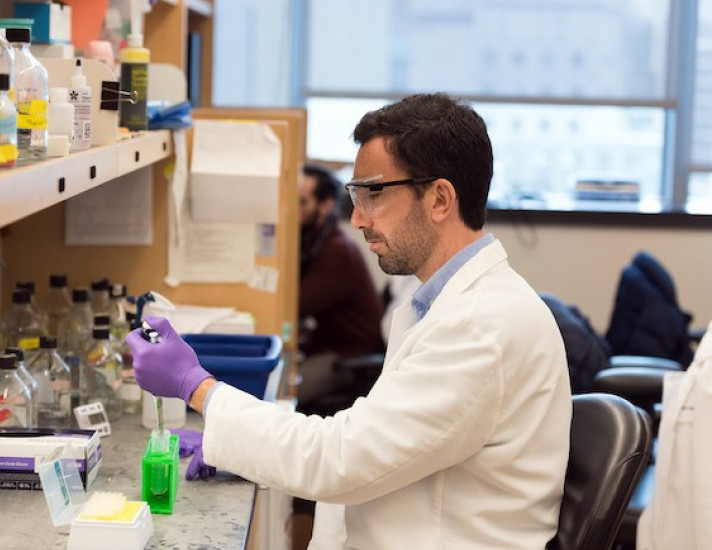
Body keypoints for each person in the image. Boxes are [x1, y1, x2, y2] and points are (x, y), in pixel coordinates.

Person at [126, 93, 572, 549]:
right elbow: (368, 446)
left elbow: (339, 458)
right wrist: (240, 443)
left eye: (373, 192)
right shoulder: (448, 305)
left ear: (440, 199)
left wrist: (196, 387)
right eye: (355, 195)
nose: (357, 218)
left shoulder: (481, 328)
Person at [297, 164, 385, 412]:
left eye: (302, 203)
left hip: (346, 358)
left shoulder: (337, 250)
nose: (293, 211)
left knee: (280, 395)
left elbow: (297, 305)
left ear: (325, 206)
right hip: (327, 347)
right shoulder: (318, 240)